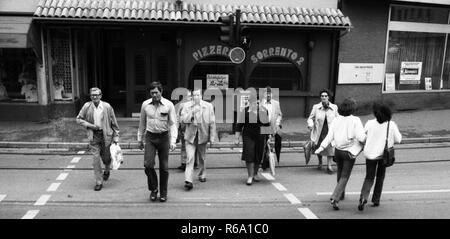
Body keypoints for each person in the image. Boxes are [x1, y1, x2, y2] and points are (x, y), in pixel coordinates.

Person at [315, 97, 366, 210]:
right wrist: (366, 140)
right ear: (352, 108)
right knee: (345, 176)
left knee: (340, 173)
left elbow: (329, 136)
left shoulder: (336, 119)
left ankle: (341, 194)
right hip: (349, 151)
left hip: (337, 151)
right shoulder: (355, 120)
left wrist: (321, 147)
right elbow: (361, 137)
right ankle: (335, 197)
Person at [137, 81, 177, 202]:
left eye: (156, 92)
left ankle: (163, 192)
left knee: (164, 167)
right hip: (150, 137)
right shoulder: (145, 105)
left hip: (164, 138)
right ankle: (154, 189)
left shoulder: (169, 105)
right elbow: (142, 123)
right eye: (152, 93)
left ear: (161, 92)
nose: (154, 95)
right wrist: (140, 139)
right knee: (148, 165)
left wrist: (173, 141)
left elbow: (173, 124)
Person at [357, 102, 402, 211]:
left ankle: (363, 198)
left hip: (370, 155)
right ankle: (376, 200)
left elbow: (362, 137)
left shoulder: (369, 123)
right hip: (383, 156)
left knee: (369, 177)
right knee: (380, 177)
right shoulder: (391, 125)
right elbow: (398, 139)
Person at [76, 87, 120, 191]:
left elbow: (114, 122)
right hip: (94, 136)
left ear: (100, 96)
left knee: (106, 158)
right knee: (95, 160)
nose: (94, 97)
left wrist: (116, 136)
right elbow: (78, 119)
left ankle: (107, 170)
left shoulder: (107, 106)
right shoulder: (87, 106)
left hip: (106, 135)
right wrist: (90, 125)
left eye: (97, 95)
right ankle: (98, 181)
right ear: (90, 96)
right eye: (92, 95)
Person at [180, 87, 216, 190]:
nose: (196, 97)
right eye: (194, 95)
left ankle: (202, 174)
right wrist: (192, 113)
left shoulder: (208, 106)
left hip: (202, 136)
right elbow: (183, 120)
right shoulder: (186, 106)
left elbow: (212, 123)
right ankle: (188, 180)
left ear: (201, 96)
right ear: (191, 97)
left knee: (202, 158)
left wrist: (212, 137)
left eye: (198, 95)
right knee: (190, 158)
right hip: (190, 137)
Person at [235, 92, 271, 185]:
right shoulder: (245, 111)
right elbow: (239, 125)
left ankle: (255, 173)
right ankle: (250, 176)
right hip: (248, 135)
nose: (255, 104)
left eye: (257, 102)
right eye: (253, 102)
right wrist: (237, 137)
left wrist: (269, 137)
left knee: (258, 155)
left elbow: (267, 124)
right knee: (249, 155)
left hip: (260, 135)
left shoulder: (264, 111)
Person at [307, 89, 339, 174]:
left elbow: (338, 118)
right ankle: (320, 162)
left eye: (325, 96)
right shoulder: (316, 107)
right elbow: (310, 118)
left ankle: (329, 165)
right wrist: (310, 124)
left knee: (330, 148)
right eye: (322, 96)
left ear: (328, 97)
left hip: (330, 131)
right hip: (319, 130)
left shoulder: (334, 107)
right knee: (319, 147)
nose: (324, 97)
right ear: (320, 97)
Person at [260, 86, 283, 167]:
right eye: (266, 94)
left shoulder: (276, 103)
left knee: (279, 138)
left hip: (274, 126)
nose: (268, 95)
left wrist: (277, 124)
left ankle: (277, 156)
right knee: (265, 142)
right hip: (263, 126)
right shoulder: (259, 104)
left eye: (270, 93)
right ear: (263, 95)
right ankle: (264, 161)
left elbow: (280, 115)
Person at [175, 90, 191, 171]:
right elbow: (177, 117)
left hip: (192, 129)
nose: (188, 98)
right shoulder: (181, 105)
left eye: (189, 96)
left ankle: (193, 162)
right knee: (184, 146)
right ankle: (184, 163)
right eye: (187, 96)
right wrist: (177, 128)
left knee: (192, 146)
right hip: (183, 129)